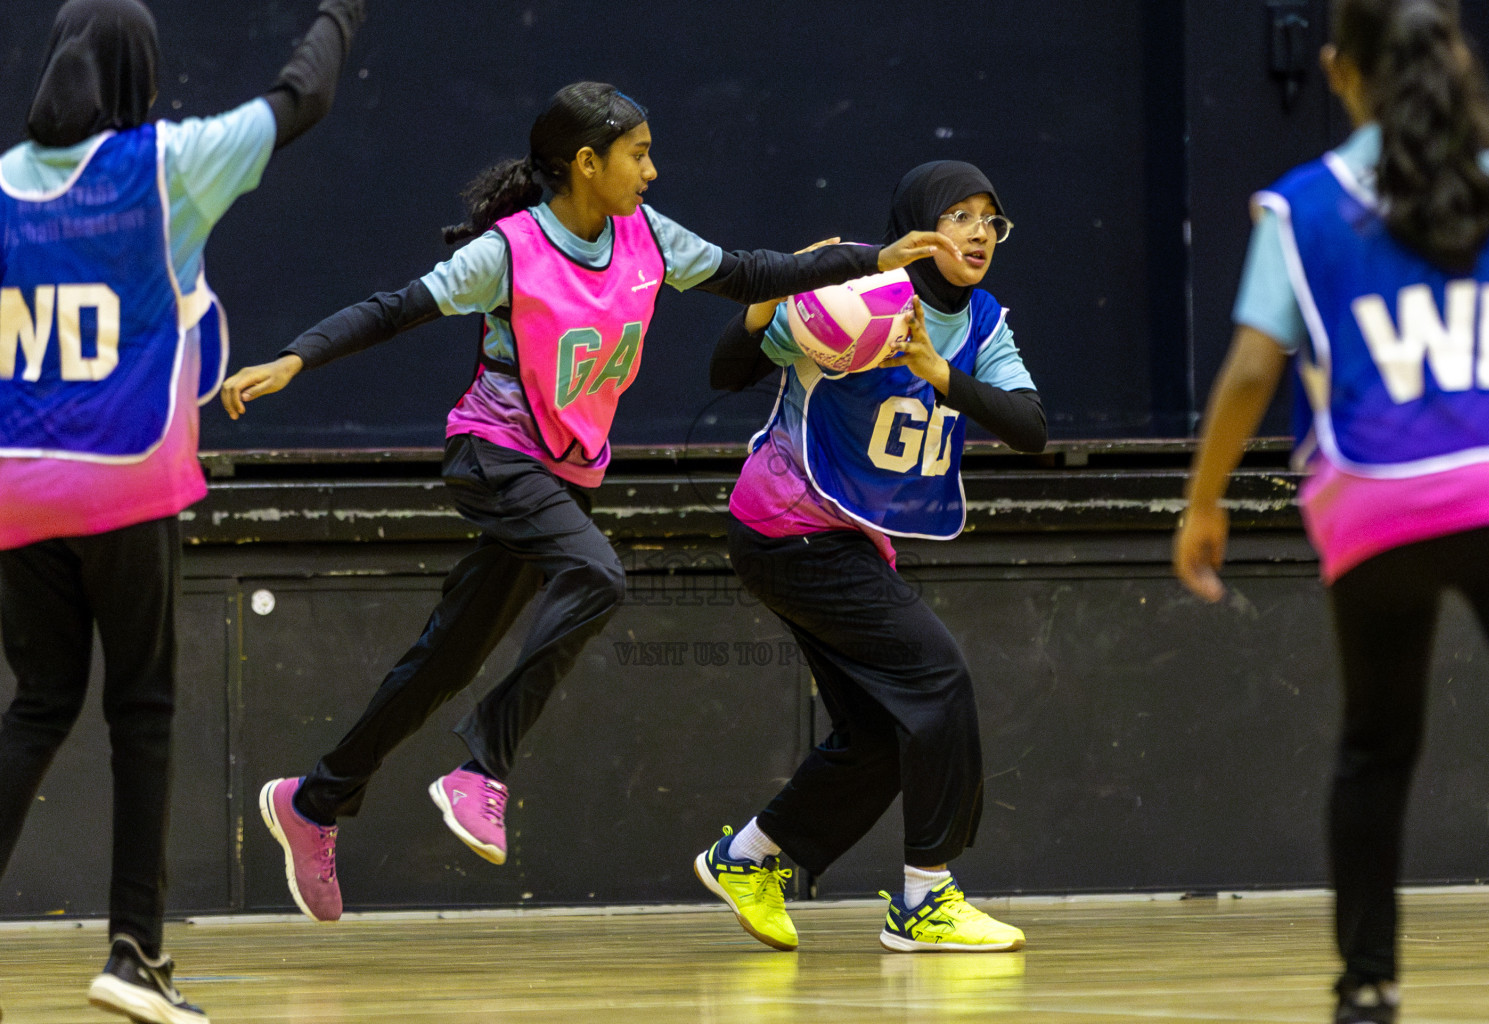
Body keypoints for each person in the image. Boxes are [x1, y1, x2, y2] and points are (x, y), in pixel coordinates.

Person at [219, 80, 961, 924]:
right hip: (493, 453)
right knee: (597, 575)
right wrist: (295, 360)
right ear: (586, 161)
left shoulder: (647, 237)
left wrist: (875, 257)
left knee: (445, 660)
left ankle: (312, 802)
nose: (652, 169)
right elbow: (395, 310)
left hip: (560, 475)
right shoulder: (508, 253)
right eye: (638, 154)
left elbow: (757, 272)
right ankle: (481, 768)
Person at [0, 0, 365, 1021]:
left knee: (37, 703)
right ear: (140, 78)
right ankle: (133, 952)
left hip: (15, 489)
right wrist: (341, 9)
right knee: (142, 711)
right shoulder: (168, 164)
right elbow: (308, 95)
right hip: (124, 484)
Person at [1171, 1, 1489, 1020]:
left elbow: (1252, 365)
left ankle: (1365, 985)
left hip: (1373, 501)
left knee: (1377, 745)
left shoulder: (1302, 205)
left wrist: (1203, 505)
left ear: (1338, 72)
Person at [695, 160, 1046, 952]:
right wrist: (770, 298)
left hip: (842, 538)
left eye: (992, 218)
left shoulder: (984, 322)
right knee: (938, 677)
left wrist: (939, 374)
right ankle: (926, 897)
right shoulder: (855, 295)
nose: (980, 232)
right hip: (789, 526)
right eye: (959, 215)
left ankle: (747, 857)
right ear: (918, 226)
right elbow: (727, 370)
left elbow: (1031, 427)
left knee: (885, 734)